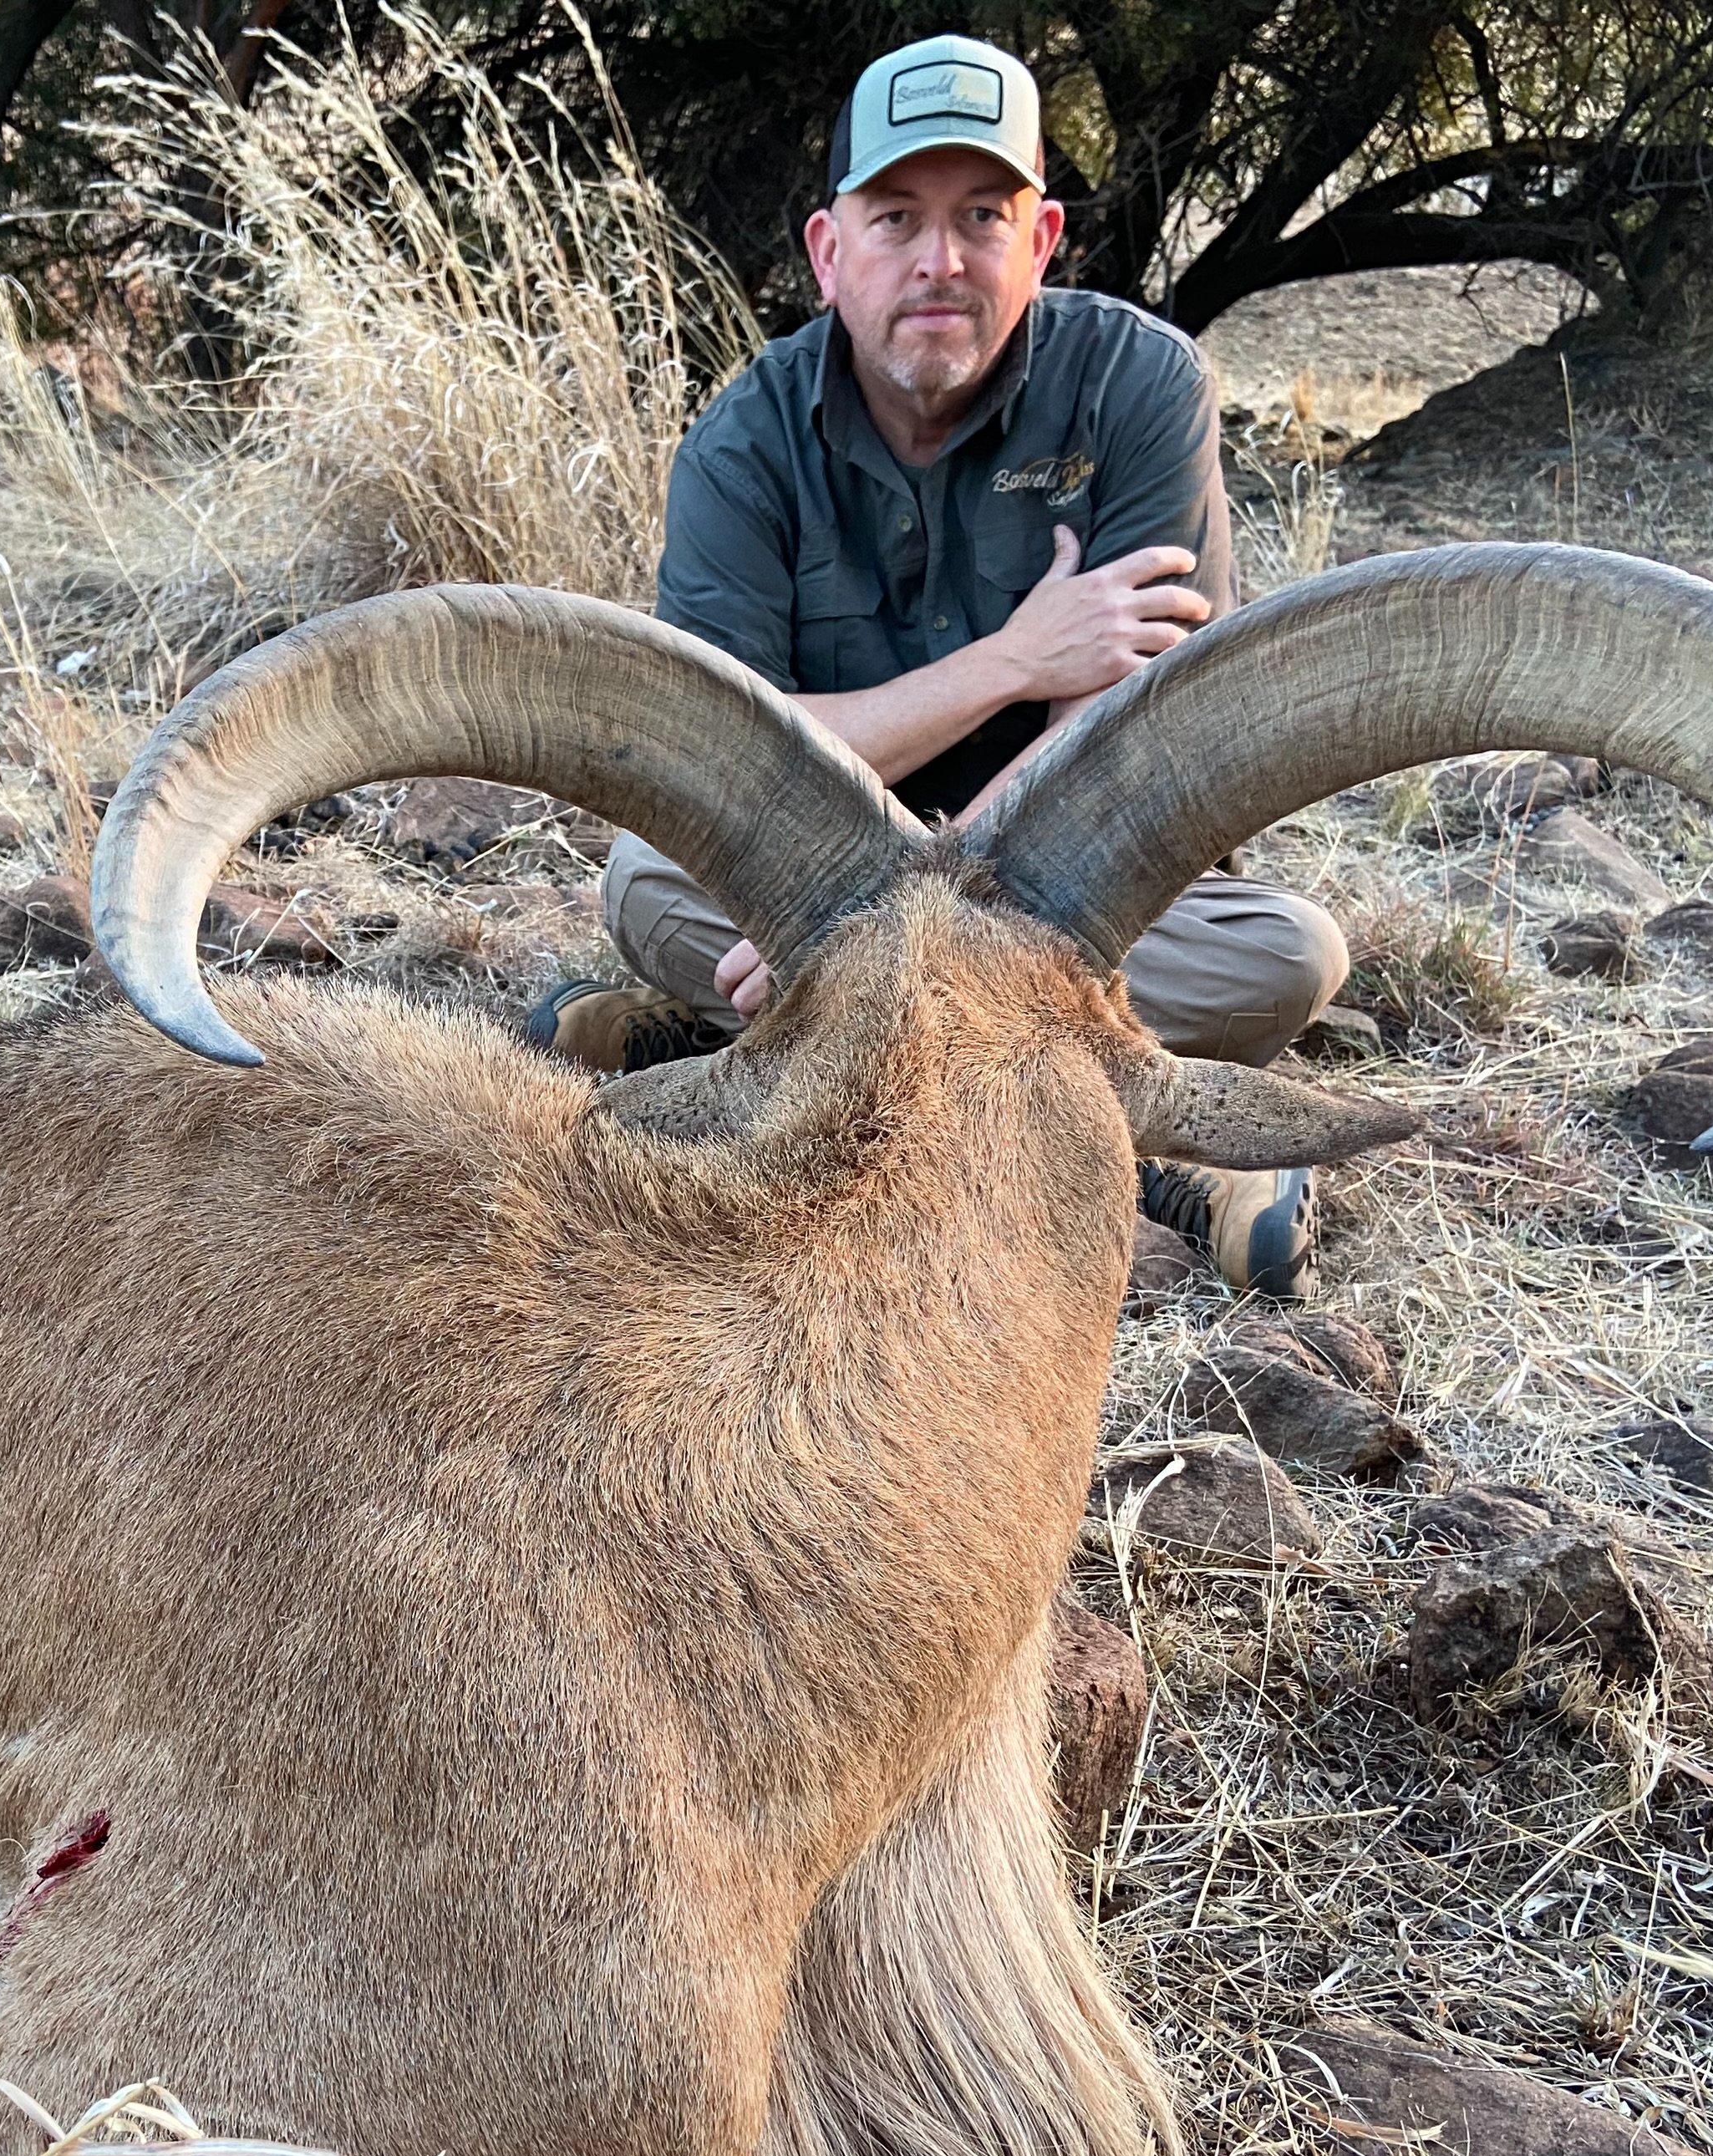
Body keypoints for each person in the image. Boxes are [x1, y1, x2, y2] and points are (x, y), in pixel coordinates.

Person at [524, 33, 1351, 1297]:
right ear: (828, 250)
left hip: (1071, 887)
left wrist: (896, 933)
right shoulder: (742, 446)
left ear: (1043, 237)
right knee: (645, 880)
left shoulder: (1139, 385)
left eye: (982, 216)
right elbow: (718, 761)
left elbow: (1135, 736)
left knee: (1285, 958)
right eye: (897, 217)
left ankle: (745, 1056)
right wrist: (1016, 659)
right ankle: (1142, 1146)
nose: (939, 261)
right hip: (825, 878)